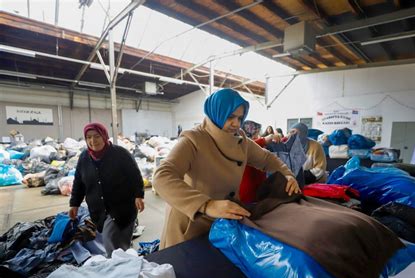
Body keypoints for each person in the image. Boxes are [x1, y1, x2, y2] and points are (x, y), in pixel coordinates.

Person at [153, 89, 299, 249]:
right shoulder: (193, 140)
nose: (236, 123)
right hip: (192, 220)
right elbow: (162, 177)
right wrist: (207, 205)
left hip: (224, 219)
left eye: (240, 118)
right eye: (230, 117)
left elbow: (266, 158)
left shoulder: (241, 140)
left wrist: (287, 174)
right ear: (216, 112)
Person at [69, 122, 145, 256]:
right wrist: (74, 204)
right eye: (89, 137)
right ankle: (125, 264)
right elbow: (79, 183)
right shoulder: (84, 158)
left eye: (97, 136)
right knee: (119, 245)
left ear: (104, 136)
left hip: (122, 207)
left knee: (110, 240)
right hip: (99, 210)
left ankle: (117, 268)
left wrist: (139, 195)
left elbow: (134, 175)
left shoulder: (120, 154)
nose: (93, 141)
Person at [239, 120, 280, 203]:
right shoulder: (241, 147)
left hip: (259, 191)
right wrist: (264, 140)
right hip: (247, 195)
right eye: (255, 134)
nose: (257, 136)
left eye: (258, 133)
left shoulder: (258, 145)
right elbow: (249, 147)